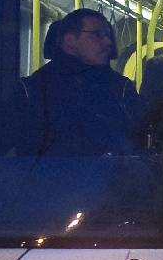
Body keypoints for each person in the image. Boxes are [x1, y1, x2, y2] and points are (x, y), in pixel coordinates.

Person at [20, 8, 146, 155]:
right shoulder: (31, 90)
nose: (108, 42)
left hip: (110, 177)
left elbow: (141, 143)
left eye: (108, 35)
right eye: (97, 35)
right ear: (69, 42)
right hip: (45, 177)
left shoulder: (122, 90)